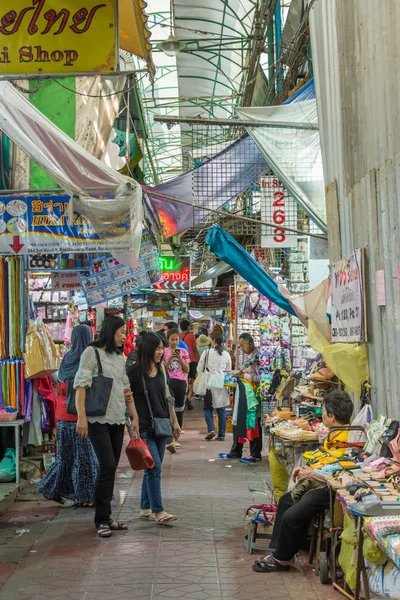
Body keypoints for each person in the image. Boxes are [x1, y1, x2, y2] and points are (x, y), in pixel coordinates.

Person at [252, 390, 354, 573]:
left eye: (323, 410)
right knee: (285, 500)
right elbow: (327, 460)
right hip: (320, 481)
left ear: (331, 415)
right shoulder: (336, 433)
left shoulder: (346, 438)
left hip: (329, 488)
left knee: (292, 516)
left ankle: (283, 559)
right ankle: (279, 551)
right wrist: (309, 469)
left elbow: (338, 470)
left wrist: (312, 473)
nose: (321, 414)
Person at [74, 316, 139, 539]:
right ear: (111, 331)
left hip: (116, 419)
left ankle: (107, 517)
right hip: (96, 420)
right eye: (122, 332)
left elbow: (125, 388)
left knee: (111, 468)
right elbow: (80, 387)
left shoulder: (118, 356)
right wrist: (81, 417)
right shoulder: (91, 353)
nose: (124, 336)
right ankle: (100, 520)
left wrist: (134, 417)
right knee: (107, 465)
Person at [37, 325, 98, 507]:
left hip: (62, 416)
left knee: (66, 457)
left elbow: (60, 386)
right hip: (80, 417)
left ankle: (52, 488)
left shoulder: (66, 360)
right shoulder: (87, 360)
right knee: (85, 458)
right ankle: (85, 496)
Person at [128, 333, 181, 524]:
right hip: (143, 427)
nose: (161, 352)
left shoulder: (161, 370)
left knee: (150, 468)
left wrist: (174, 420)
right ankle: (159, 511)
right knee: (154, 467)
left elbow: (168, 397)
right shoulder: (133, 373)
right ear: (148, 349)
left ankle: (145, 507)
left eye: (162, 348)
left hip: (162, 424)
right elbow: (127, 398)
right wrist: (131, 421)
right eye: (157, 348)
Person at [218, 333, 262, 463]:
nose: (241, 349)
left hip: (253, 397)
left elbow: (262, 378)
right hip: (244, 394)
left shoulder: (258, 357)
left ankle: (255, 453)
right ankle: (236, 450)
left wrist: (246, 377)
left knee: (253, 422)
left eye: (243, 345)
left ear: (251, 343)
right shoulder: (249, 356)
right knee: (238, 421)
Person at [198, 332, 232, 442]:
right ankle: (221, 434)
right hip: (221, 383)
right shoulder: (226, 354)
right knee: (221, 409)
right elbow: (228, 371)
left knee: (208, 407)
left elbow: (199, 368)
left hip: (209, 382)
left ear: (213, 341)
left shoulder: (206, 353)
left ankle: (211, 429)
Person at [164, 328, 190, 433]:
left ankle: (179, 427)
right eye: (172, 339)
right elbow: (163, 369)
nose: (174, 342)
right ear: (168, 340)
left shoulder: (183, 352)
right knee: (171, 405)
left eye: (176, 339)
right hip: (169, 382)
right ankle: (171, 429)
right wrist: (170, 357)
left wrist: (179, 358)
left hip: (181, 381)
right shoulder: (164, 351)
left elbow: (187, 369)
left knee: (180, 407)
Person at [180, 319, 199, 409]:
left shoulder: (179, 336)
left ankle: (184, 396)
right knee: (195, 379)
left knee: (185, 379)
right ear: (188, 327)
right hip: (192, 360)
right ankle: (188, 396)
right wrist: (199, 360)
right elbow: (194, 349)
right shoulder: (191, 336)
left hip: (182, 361)